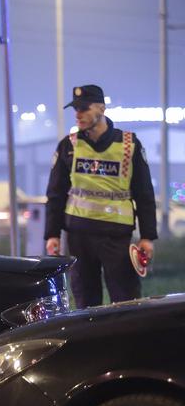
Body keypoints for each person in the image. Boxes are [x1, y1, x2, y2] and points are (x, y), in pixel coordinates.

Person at [44, 84, 156, 307]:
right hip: (79, 237)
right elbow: (55, 194)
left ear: (102, 109)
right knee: (85, 303)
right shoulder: (69, 146)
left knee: (126, 303)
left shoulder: (129, 145)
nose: (78, 114)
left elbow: (144, 194)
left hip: (116, 237)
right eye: (75, 109)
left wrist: (147, 237)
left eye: (84, 108)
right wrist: (52, 235)